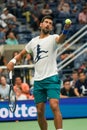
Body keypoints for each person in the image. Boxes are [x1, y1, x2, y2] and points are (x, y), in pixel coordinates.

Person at [7, 15, 71, 130]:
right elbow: (21, 54)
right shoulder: (33, 42)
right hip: (38, 81)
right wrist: (12, 61)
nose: (48, 24)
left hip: (51, 78)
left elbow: (61, 39)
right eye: (46, 22)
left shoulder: (53, 38)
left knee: (54, 105)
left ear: (51, 28)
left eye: (50, 23)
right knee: (40, 111)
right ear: (41, 25)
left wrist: (65, 29)